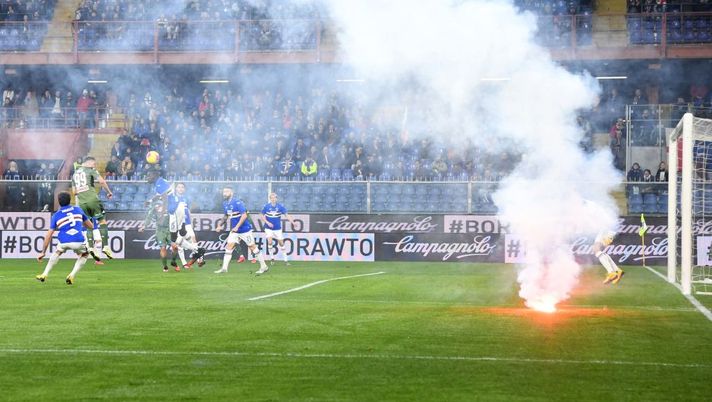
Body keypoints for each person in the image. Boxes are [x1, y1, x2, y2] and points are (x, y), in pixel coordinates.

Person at [35, 192, 94, 285]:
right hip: (78, 240)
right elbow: (90, 226)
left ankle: (44, 274)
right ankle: (71, 276)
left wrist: (43, 252)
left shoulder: (56, 215)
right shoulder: (78, 210)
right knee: (85, 254)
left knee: (58, 252)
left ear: (59, 202)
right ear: (70, 200)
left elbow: (49, 234)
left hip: (63, 241)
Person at [214, 186, 268, 275]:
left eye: (227, 191)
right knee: (229, 247)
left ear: (232, 192)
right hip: (234, 231)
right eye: (224, 192)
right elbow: (226, 216)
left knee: (252, 247)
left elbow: (244, 215)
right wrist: (219, 225)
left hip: (244, 230)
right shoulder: (225, 203)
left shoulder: (238, 202)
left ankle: (264, 266)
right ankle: (224, 268)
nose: (224, 193)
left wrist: (237, 226)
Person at [71, 156, 113, 262]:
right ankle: (106, 246)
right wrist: (109, 192)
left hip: (82, 203)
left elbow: (74, 192)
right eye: (94, 164)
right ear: (89, 163)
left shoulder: (75, 174)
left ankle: (90, 247)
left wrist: (82, 189)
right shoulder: (91, 170)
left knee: (89, 224)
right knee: (102, 221)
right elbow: (102, 181)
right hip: (93, 200)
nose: (95, 166)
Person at [169, 182, 205, 269]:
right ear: (176, 188)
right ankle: (184, 263)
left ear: (184, 189)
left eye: (182, 187)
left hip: (187, 223)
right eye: (179, 187)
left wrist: (191, 221)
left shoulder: (185, 199)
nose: (181, 189)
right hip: (178, 224)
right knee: (178, 244)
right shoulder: (173, 198)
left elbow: (188, 211)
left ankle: (200, 259)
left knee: (193, 239)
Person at [138, 200, 175, 272]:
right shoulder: (154, 209)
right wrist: (144, 226)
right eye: (157, 206)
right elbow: (148, 218)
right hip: (160, 231)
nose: (158, 207)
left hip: (170, 230)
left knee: (175, 246)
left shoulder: (169, 207)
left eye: (159, 205)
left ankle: (173, 261)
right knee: (163, 248)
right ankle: (165, 266)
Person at [261, 192, 295, 265]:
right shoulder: (266, 206)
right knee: (270, 242)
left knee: (281, 243)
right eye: (272, 198)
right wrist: (267, 222)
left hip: (277, 228)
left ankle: (286, 260)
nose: (273, 199)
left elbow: (286, 215)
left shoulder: (280, 207)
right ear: (270, 199)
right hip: (268, 228)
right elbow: (262, 216)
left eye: (274, 197)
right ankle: (272, 258)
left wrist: (292, 222)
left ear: (276, 198)